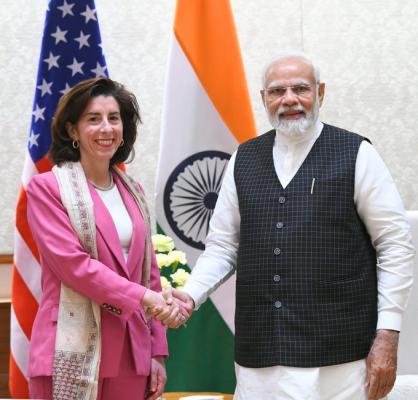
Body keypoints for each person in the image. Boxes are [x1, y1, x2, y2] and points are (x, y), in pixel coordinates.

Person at [160, 52, 415, 400]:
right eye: (277, 91)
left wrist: (388, 334)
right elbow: (222, 246)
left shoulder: (356, 153)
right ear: (263, 98)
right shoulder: (244, 158)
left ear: (320, 93)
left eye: (300, 89)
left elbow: (395, 245)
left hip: (340, 359)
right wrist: (189, 295)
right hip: (261, 356)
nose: (289, 99)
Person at [26, 77, 184, 400]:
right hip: (71, 350)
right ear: (72, 130)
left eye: (114, 118)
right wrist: (142, 298)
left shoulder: (134, 191)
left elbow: (149, 273)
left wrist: (156, 352)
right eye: (93, 119)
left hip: (132, 354)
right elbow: (74, 267)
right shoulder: (47, 189)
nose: (106, 128)